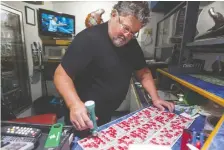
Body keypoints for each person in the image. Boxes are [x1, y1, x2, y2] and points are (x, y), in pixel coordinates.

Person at [54, 1, 174, 132]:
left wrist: (155, 98)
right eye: (126, 28)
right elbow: (61, 74)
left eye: (133, 32)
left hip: (106, 114)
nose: (128, 36)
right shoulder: (88, 39)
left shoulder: (132, 45)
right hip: (82, 115)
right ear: (113, 15)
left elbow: (143, 72)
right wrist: (74, 104)